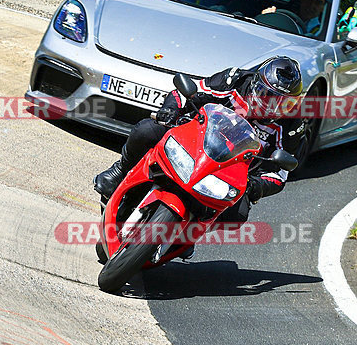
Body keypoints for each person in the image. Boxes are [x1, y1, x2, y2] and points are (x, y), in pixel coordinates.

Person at [93, 57, 307, 257]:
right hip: (192, 140)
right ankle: (120, 170)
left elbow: (280, 173)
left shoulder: (291, 126)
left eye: (284, 104)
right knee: (147, 131)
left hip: (230, 171)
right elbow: (184, 93)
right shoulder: (233, 80)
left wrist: (256, 186)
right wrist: (170, 111)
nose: (274, 107)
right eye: (268, 97)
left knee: (237, 214)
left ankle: (190, 229)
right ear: (254, 85)